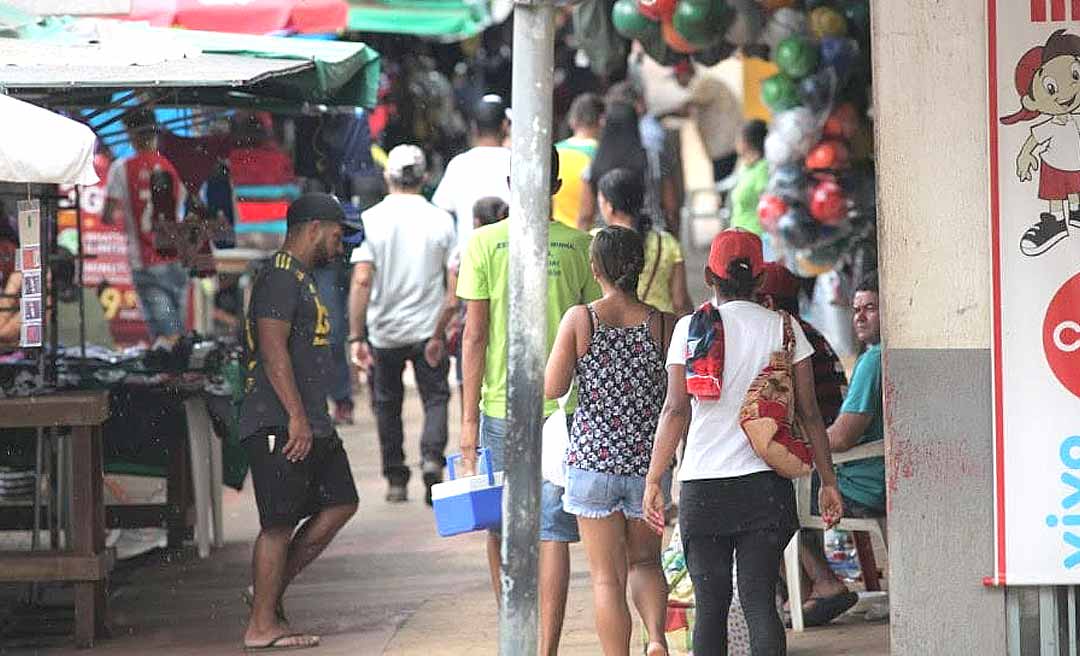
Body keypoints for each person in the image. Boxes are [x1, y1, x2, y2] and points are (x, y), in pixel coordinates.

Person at [643, 229, 843, 654]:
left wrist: (654, 479)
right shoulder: (784, 329)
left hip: (703, 488)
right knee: (759, 603)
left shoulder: (689, 330)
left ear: (709, 276)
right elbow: (809, 414)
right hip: (763, 490)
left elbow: (675, 412)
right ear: (759, 280)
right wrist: (828, 482)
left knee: (711, 607)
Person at [456, 147, 601, 656]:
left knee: (501, 522)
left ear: (514, 183)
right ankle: (545, 650)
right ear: (557, 188)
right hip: (567, 411)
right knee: (553, 531)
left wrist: (467, 421)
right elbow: (593, 338)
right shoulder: (583, 246)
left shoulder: (482, 244)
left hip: (499, 408)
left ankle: (511, 630)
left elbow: (473, 338)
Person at [544, 226, 675, 656]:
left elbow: (553, 386)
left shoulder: (581, 319)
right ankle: (655, 638)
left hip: (592, 464)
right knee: (646, 562)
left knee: (605, 578)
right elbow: (677, 399)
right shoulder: (663, 325)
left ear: (595, 268)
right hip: (647, 466)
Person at [239, 193, 360, 651]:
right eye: (336, 234)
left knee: (341, 502)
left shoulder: (303, 278)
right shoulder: (278, 278)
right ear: (312, 228)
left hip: (310, 420)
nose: (341, 245)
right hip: (279, 421)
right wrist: (294, 416)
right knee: (277, 523)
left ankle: (264, 596)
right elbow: (272, 350)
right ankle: (261, 625)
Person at [348, 145, 456, 505]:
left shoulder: (371, 220)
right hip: (430, 331)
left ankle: (396, 477)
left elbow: (362, 280)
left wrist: (356, 335)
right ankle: (430, 459)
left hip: (384, 332)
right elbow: (453, 281)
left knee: (386, 403)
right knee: (436, 397)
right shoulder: (440, 219)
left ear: (387, 177)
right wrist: (446, 323)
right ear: (424, 178)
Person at [797, 270, 886, 627]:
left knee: (776, 498)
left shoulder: (873, 361)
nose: (860, 317)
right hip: (877, 474)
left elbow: (843, 437)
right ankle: (811, 592)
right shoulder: (880, 356)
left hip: (864, 483)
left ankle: (824, 583)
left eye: (871, 309)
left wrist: (801, 442)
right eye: (856, 309)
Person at [102, 108, 189, 343]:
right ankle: (181, 373)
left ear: (131, 134)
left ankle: (172, 375)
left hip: (147, 259)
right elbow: (180, 204)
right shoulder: (174, 165)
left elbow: (108, 215)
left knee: (165, 333)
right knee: (178, 328)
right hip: (177, 258)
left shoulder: (121, 168)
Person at [596, 168, 692, 316]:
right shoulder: (667, 243)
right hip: (660, 328)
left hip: (610, 324)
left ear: (609, 207)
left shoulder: (595, 242)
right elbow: (680, 302)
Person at [433, 94, 512, 252]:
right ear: (505, 126)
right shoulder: (517, 163)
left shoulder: (459, 165)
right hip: (510, 260)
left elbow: (442, 214)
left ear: (474, 127)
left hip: (469, 261)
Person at [672, 58, 742, 183]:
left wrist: (662, 114)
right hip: (724, 142)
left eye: (677, 77)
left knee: (722, 182)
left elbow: (685, 107)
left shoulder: (703, 83)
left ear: (685, 74)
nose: (676, 81)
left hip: (724, 144)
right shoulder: (702, 84)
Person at [554, 93, 605, 229]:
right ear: (602, 121)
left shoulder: (555, 151)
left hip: (555, 234)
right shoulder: (601, 155)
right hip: (586, 236)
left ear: (572, 121)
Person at [728, 120, 770, 237]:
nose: (735, 143)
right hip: (740, 235)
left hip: (757, 237)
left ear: (747, 142)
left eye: (738, 139)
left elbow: (766, 204)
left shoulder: (762, 168)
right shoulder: (745, 167)